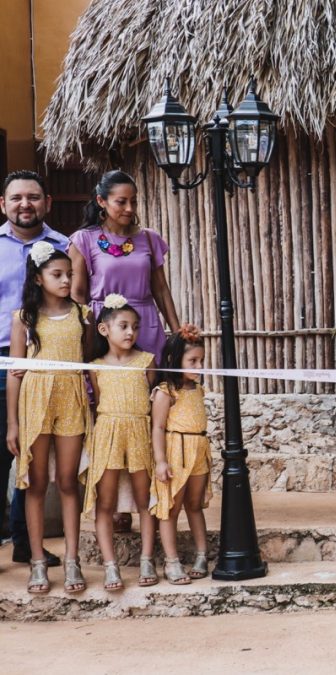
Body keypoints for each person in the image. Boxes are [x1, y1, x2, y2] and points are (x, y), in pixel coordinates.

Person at [70, 170, 179, 534]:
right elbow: (79, 295)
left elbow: (161, 290)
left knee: (149, 410)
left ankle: (152, 493)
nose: (130, 208)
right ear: (101, 202)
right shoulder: (83, 240)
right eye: (121, 201)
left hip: (146, 326)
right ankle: (116, 504)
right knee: (111, 412)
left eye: (134, 201)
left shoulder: (149, 239)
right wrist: (85, 341)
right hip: (104, 331)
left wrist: (177, 333)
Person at [7, 241, 94, 593]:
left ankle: (72, 560)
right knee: (37, 482)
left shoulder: (82, 315)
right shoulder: (23, 318)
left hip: (71, 398)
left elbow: (86, 360)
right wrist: (13, 423)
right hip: (36, 400)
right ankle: (38, 563)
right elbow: (15, 373)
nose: (65, 280)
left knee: (70, 481)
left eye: (69, 274)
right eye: (57, 274)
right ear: (39, 278)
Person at [0, 170, 64, 568]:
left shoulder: (64, 248)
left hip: (45, 367)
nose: (26, 204)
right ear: (3, 205)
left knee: (31, 457)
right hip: (0, 360)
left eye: (34, 197)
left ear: (47, 203)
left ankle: (26, 542)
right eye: (17, 198)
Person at [83, 294, 158, 590]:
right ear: (104, 329)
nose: (131, 333)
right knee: (106, 503)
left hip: (139, 432)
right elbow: (99, 402)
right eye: (124, 326)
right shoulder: (95, 366)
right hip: (108, 434)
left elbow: (153, 403)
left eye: (135, 327)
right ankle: (110, 565)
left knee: (145, 500)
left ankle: (147, 559)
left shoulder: (147, 361)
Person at [151, 325, 211, 584]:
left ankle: (202, 554)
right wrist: (161, 461)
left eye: (201, 361)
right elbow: (157, 427)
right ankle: (172, 561)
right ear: (176, 360)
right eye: (192, 361)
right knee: (171, 508)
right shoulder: (166, 391)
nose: (198, 366)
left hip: (198, 451)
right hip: (176, 451)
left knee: (195, 506)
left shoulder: (198, 390)